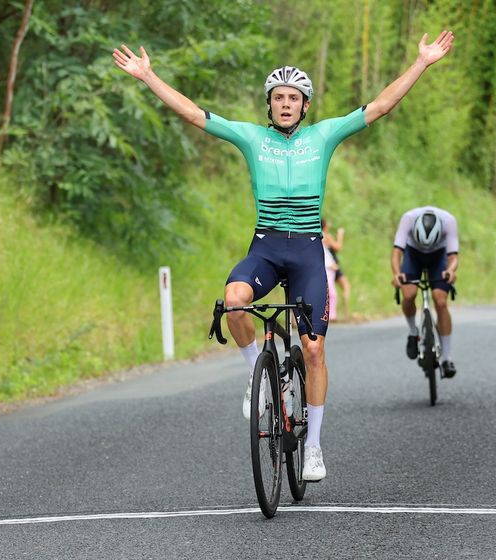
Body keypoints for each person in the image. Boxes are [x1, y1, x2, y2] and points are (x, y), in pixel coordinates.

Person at [113, 31, 455, 482]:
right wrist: (148, 76)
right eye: (279, 97)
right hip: (267, 247)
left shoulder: (324, 136)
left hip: (309, 253)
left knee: (313, 349)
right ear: (269, 104)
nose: (286, 103)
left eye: (294, 97)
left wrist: (421, 64)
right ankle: (255, 372)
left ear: (305, 105)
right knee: (234, 300)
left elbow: (380, 106)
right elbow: (193, 113)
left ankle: (312, 447)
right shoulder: (253, 138)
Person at [391, 206, 459, 378]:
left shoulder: (448, 221)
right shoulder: (408, 218)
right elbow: (397, 252)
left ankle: (446, 358)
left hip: (438, 256)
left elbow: (453, 256)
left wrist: (451, 270)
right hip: (413, 255)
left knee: (441, 301)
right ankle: (413, 333)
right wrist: (397, 274)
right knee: (408, 295)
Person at [322, 218, 351, 318]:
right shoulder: (326, 236)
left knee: (337, 288)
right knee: (335, 289)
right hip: (330, 266)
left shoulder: (322, 236)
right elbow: (338, 247)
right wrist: (340, 235)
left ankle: (338, 312)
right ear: (325, 225)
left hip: (331, 266)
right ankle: (342, 311)